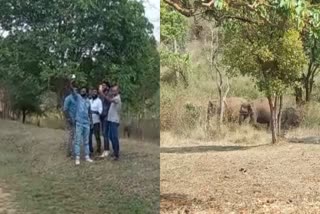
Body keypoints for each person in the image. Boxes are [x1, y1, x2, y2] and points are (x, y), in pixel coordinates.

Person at [74, 86, 94, 165]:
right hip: (79, 122)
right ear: (80, 92)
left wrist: (91, 122)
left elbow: (90, 112)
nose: (83, 92)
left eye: (84, 91)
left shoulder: (88, 101)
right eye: (81, 91)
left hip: (86, 123)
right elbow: (72, 90)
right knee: (78, 140)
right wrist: (71, 82)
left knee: (86, 141)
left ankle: (87, 156)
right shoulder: (78, 98)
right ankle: (77, 158)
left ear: (86, 92)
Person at [104, 84, 121, 160]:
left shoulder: (117, 98)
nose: (113, 92)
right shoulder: (114, 97)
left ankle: (116, 154)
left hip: (114, 121)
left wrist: (101, 93)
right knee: (110, 136)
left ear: (118, 91)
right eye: (113, 90)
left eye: (115, 90)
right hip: (110, 120)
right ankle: (115, 151)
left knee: (114, 137)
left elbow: (109, 99)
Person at [63, 85, 78, 158]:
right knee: (72, 136)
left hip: (76, 119)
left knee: (73, 136)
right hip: (71, 120)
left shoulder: (77, 98)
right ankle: (72, 153)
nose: (75, 91)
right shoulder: (68, 98)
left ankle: (69, 152)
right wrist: (69, 119)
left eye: (76, 90)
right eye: (74, 90)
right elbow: (65, 110)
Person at [99, 81, 112, 158]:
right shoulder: (101, 94)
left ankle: (107, 150)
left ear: (107, 86)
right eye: (102, 85)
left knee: (105, 133)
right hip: (101, 115)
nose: (103, 87)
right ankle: (105, 149)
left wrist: (101, 93)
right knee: (103, 133)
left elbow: (108, 101)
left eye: (104, 85)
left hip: (107, 115)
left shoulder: (109, 93)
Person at [89, 88, 103, 156]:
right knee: (89, 136)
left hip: (96, 121)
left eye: (95, 92)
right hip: (89, 121)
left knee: (97, 136)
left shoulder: (99, 101)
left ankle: (98, 149)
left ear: (97, 93)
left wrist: (93, 112)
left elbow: (100, 112)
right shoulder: (89, 100)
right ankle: (90, 149)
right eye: (93, 92)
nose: (94, 93)